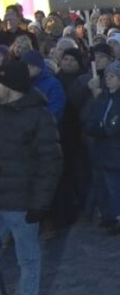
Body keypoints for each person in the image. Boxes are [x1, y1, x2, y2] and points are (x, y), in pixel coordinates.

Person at [0, 61, 63, 295]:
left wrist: (40, 203)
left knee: (27, 261)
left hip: (22, 203)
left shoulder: (38, 115)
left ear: (10, 85)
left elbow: (50, 161)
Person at [83, 59, 120, 235]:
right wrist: (97, 129)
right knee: (113, 187)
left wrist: (107, 130)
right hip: (105, 150)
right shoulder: (103, 97)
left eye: (112, 76)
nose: (108, 79)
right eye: (107, 75)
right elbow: (91, 118)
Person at [21, 50, 66, 123]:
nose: (25, 69)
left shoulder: (54, 85)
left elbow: (55, 112)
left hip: (45, 129)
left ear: (38, 67)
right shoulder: (21, 82)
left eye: (29, 66)